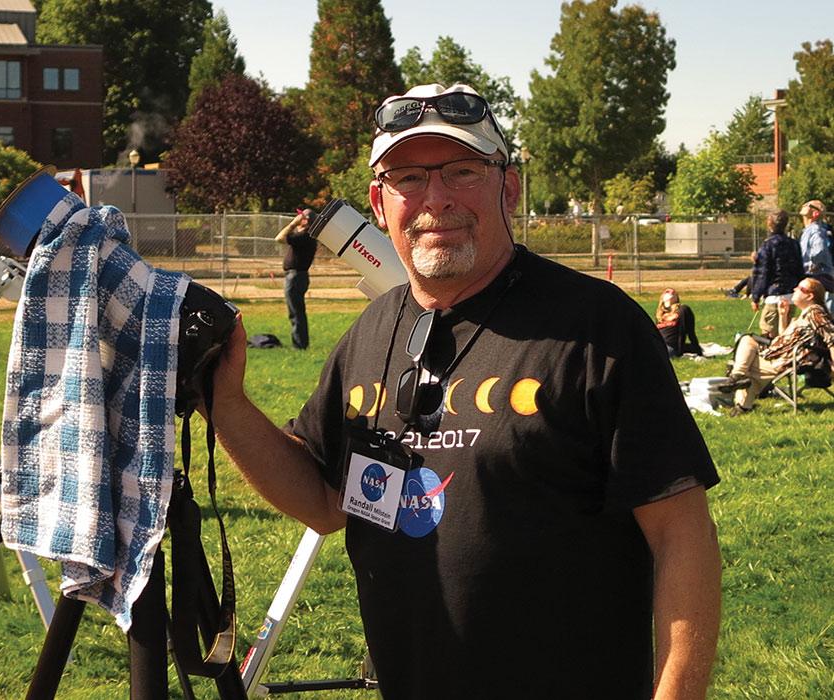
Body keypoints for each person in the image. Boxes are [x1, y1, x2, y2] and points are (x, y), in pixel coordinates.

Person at [210, 84, 721, 698]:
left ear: (507, 187)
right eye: (408, 178)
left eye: (462, 171)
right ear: (378, 202)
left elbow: (680, 531)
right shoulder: (371, 333)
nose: (437, 199)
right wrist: (226, 402)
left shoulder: (596, 328)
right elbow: (322, 497)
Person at [724, 276, 834, 416]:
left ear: (810, 296)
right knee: (747, 345)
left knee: (747, 353)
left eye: (800, 288)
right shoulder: (806, 314)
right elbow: (784, 338)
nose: (794, 289)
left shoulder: (815, 312)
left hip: (791, 359)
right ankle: (740, 389)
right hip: (783, 355)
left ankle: (739, 386)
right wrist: (783, 315)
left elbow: (831, 338)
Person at [750, 209, 804, 338]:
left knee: (769, 333)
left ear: (769, 224)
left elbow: (762, 273)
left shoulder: (768, 246)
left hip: (775, 295)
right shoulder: (794, 244)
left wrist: (755, 296)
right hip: (792, 295)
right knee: (788, 333)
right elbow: (800, 268)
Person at [274, 208, 318, 349]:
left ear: (305, 220)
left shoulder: (305, 236)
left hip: (296, 277)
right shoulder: (305, 236)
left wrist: (293, 223)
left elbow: (279, 238)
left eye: (300, 217)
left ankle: (299, 345)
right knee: (296, 311)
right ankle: (300, 343)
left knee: (296, 313)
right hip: (297, 277)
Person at [798, 199, 834, 315]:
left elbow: (820, 250)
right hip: (818, 276)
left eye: (808, 205)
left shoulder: (816, 230)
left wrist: (812, 264)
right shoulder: (809, 230)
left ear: (815, 213)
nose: (804, 205)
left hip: (819, 276)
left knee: (821, 313)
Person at [655, 287, 702, 356]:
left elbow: (690, 332)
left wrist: (698, 351)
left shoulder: (683, 310)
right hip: (658, 345)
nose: (670, 291)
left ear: (676, 298)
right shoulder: (660, 314)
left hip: (671, 347)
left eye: (673, 292)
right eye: (667, 291)